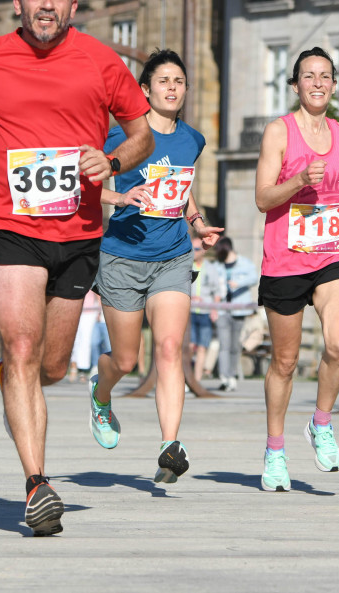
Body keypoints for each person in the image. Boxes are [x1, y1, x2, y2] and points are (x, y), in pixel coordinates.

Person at [0, 0, 153, 536]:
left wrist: (109, 161)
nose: (47, 6)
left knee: (50, 365)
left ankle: (20, 379)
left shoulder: (102, 62)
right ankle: (37, 484)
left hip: (78, 231)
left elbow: (142, 134)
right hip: (8, 224)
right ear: (19, 3)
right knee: (24, 345)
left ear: (73, 6)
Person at [90, 49, 223, 483]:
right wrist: (120, 197)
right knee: (127, 359)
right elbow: (86, 187)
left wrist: (199, 224)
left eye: (179, 81)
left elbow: (180, 188)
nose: (172, 87)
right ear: (145, 90)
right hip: (123, 256)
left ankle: (170, 445)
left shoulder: (192, 140)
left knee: (169, 348)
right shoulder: (120, 138)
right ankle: (101, 392)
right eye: (163, 80)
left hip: (172, 256)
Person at [254, 47, 339, 493]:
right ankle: (275, 450)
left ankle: (321, 423)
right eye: (308, 76)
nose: (317, 83)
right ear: (295, 84)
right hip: (286, 257)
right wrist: (298, 181)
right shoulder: (278, 132)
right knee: (284, 361)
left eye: (324, 76)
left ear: (334, 85)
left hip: (334, 251)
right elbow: (262, 198)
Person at [212, 236, 259, 392]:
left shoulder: (244, 263)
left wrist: (239, 283)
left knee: (234, 345)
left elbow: (254, 277)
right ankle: (224, 377)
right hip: (222, 309)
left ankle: (232, 375)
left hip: (239, 309)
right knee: (223, 345)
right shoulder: (217, 266)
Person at [190, 237, 223, 384]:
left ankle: (196, 380)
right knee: (190, 346)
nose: (193, 252)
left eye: (196, 249)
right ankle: (187, 377)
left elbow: (217, 292)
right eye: (191, 249)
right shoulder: (186, 266)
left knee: (203, 347)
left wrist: (214, 310)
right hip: (188, 312)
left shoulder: (210, 268)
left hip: (205, 312)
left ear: (203, 251)